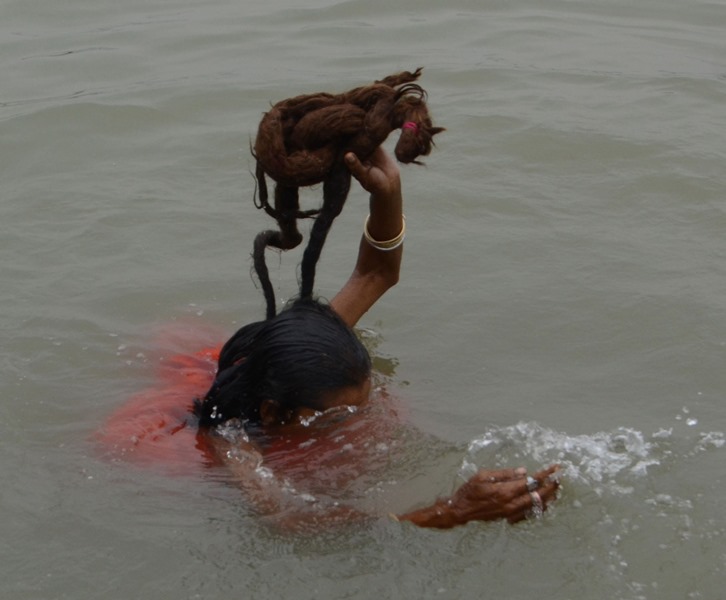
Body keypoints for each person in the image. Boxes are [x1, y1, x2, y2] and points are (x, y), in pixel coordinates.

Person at [98, 146, 560, 530]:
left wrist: (388, 192)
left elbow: (377, 271)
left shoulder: (319, 347)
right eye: (336, 417)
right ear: (274, 413)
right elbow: (291, 523)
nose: (358, 421)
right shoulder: (235, 445)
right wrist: (453, 513)